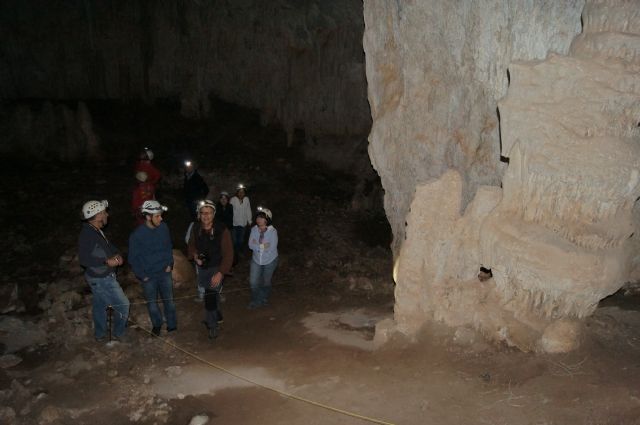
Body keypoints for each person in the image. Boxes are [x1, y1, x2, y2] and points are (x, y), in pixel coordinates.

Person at [78, 200, 130, 342]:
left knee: (100, 306)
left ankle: (100, 334)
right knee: (123, 305)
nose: (107, 214)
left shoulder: (95, 230)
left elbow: (108, 246)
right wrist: (106, 261)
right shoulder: (87, 235)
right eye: (104, 212)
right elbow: (83, 260)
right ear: (97, 215)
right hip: (101, 278)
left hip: (100, 276)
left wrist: (117, 254)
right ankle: (119, 334)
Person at [128, 200, 176, 336]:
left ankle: (172, 325)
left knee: (169, 301)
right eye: (157, 216)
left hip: (164, 272)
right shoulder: (137, 236)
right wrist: (142, 275)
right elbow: (133, 258)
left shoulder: (164, 227)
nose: (161, 218)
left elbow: (168, 246)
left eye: (161, 215)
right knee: (152, 304)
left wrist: (170, 263)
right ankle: (157, 325)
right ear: (148, 217)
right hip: (148, 275)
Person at [187, 200, 233, 339]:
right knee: (210, 294)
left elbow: (229, 253)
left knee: (210, 296)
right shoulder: (196, 228)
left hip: (217, 267)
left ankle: (212, 325)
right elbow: (191, 245)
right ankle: (217, 314)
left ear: (214, 214)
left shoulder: (221, 229)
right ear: (199, 215)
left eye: (209, 213)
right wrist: (195, 256)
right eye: (203, 213)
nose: (206, 216)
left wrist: (221, 272)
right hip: (203, 267)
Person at [247, 207, 278, 309]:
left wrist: (258, 245)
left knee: (266, 281)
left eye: (261, 217)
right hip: (256, 260)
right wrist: (264, 245)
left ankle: (263, 299)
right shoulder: (254, 229)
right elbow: (250, 245)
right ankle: (257, 299)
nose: (258, 219)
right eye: (258, 217)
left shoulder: (272, 231)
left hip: (270, 260)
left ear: (267, 219)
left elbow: (272, 247)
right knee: (253, 282)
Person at [229, 184, 252, 262]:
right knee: (234, 240)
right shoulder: (233, 200)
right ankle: (234, 253)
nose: (241, 194)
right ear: (237, 192)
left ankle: (238, 252)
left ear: (244, 193)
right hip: (234, 224)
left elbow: (248, 210)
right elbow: (230, 211)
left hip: (243, 224)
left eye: (243, 192)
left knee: (241, 240)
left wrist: (249, 220)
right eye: (240, 192)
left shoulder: (246, 199)